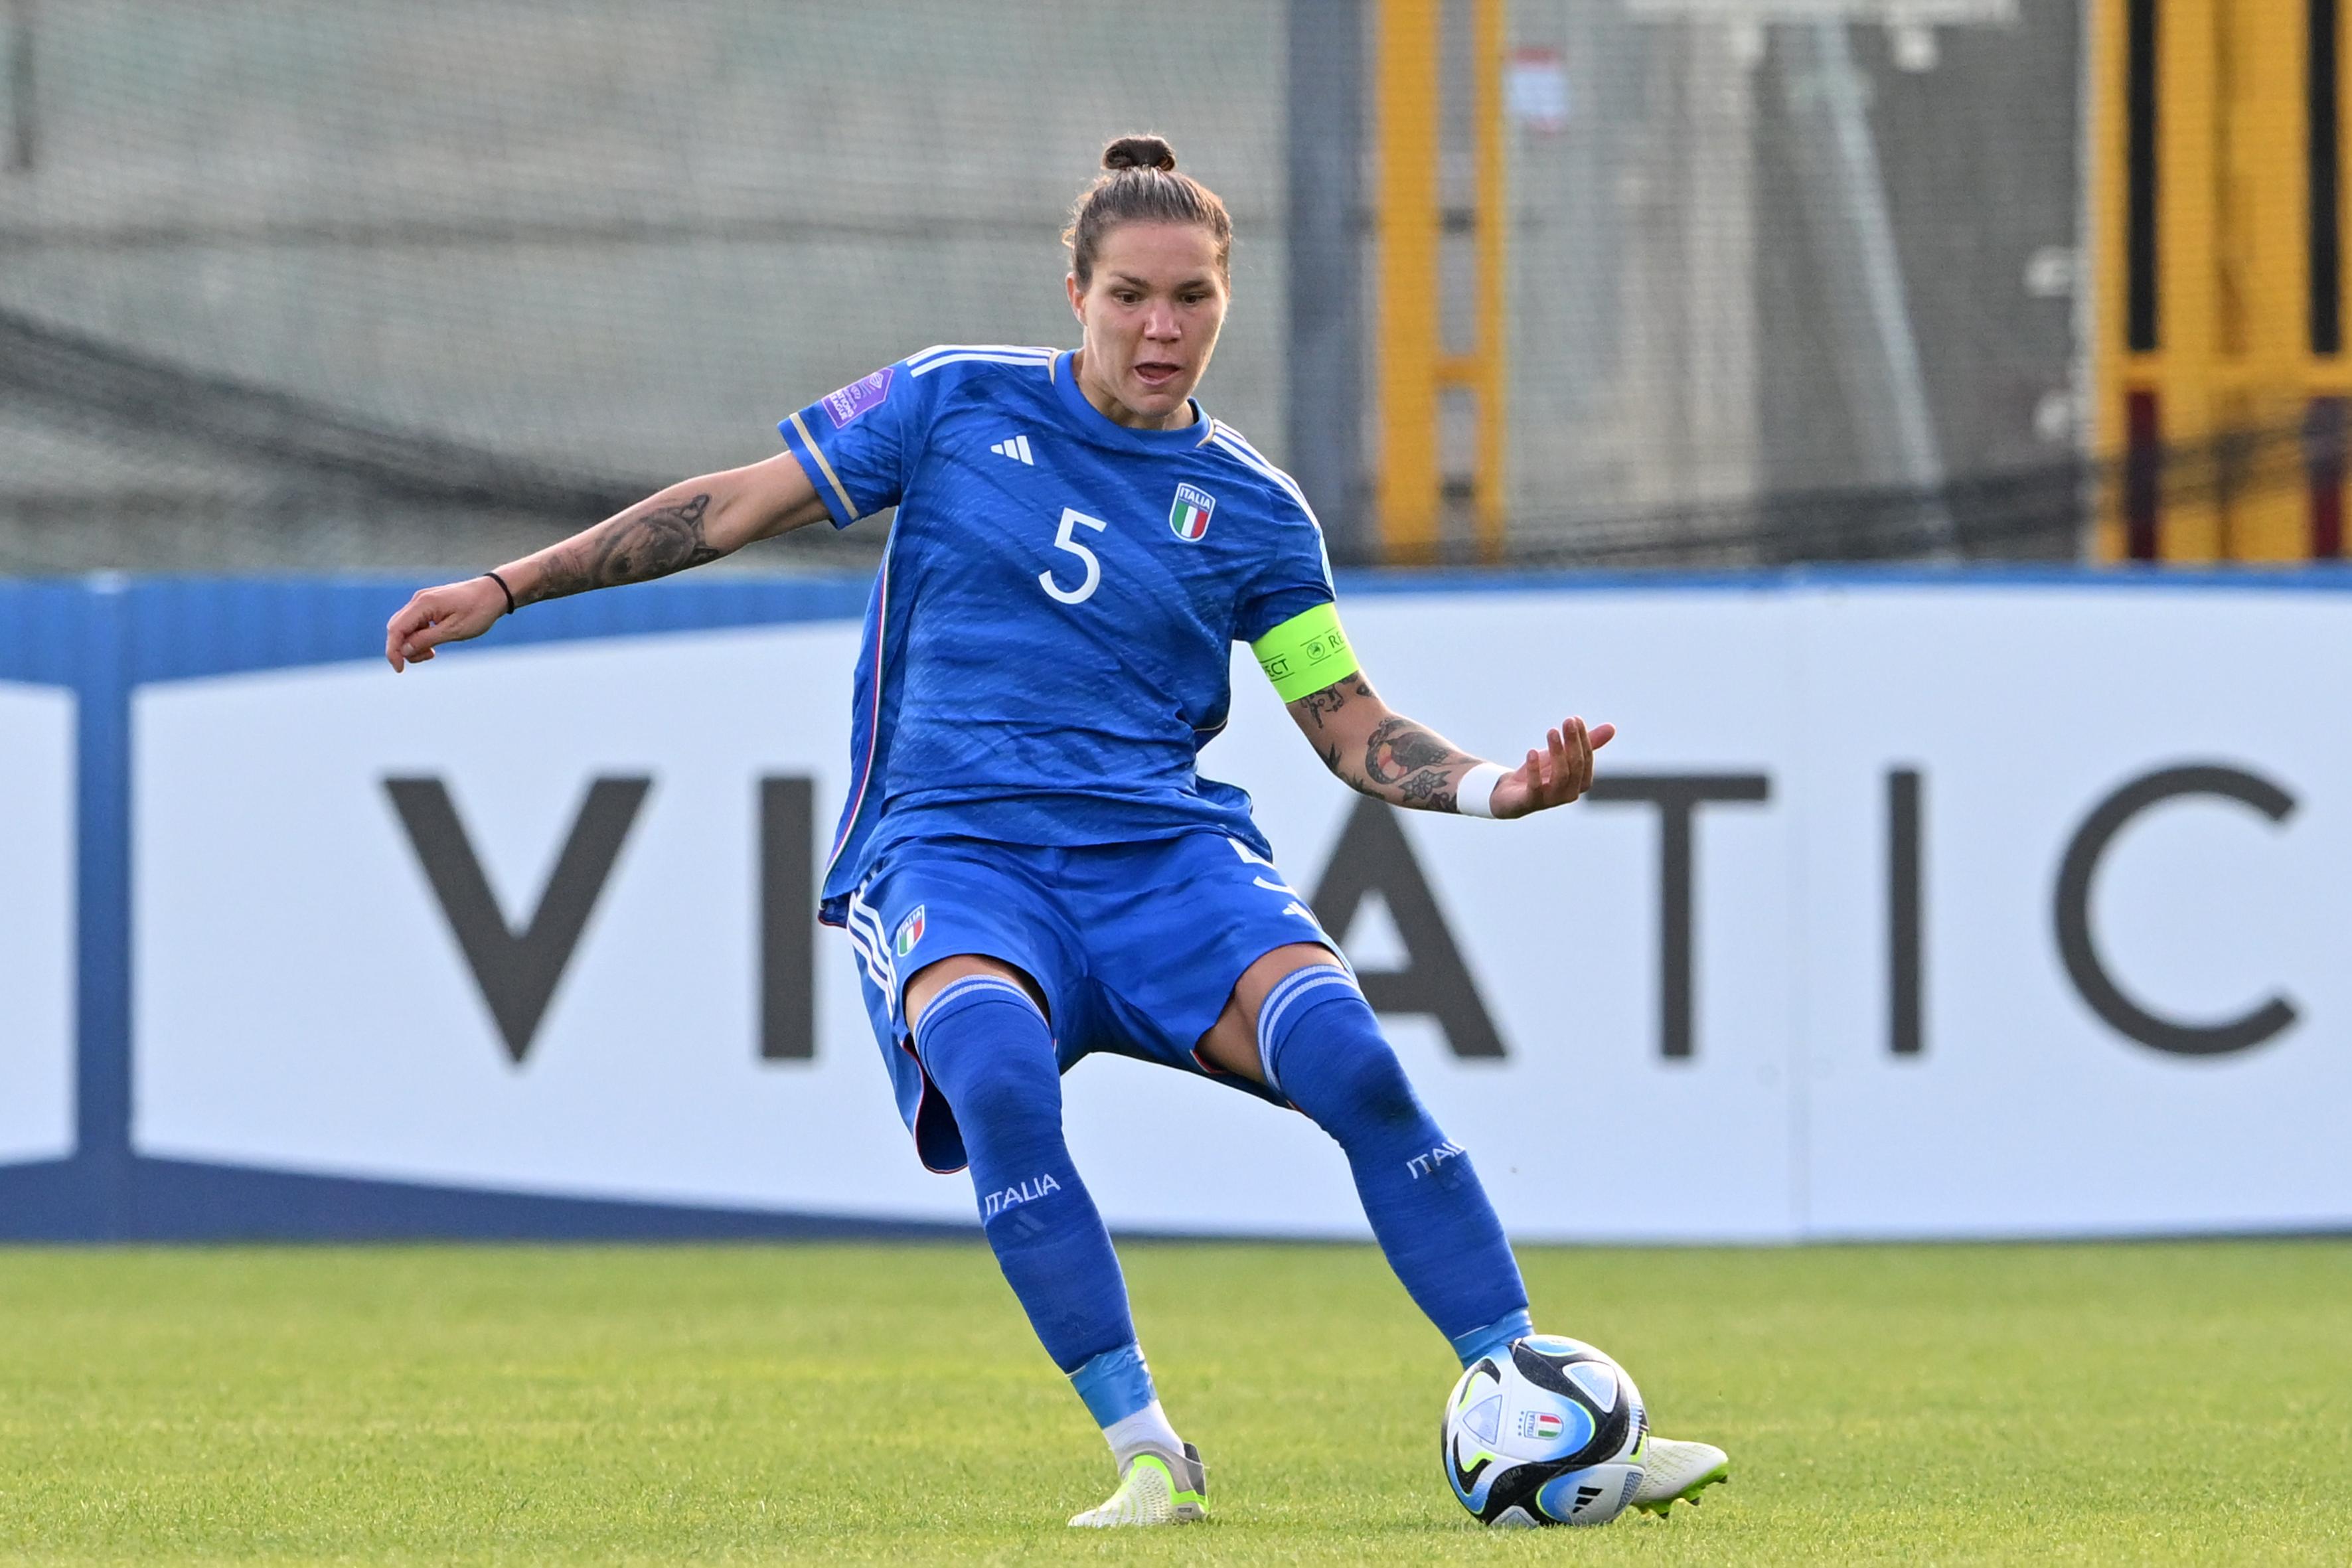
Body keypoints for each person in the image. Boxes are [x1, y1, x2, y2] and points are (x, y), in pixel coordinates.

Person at [385, 134, 1729, 1528]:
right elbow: (727, 504)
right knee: (993, 1067)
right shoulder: (947, 404)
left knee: (1349, 1056)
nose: (1162, 328)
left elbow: (1345, 721)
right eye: (1132, 296)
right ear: (1074, 293)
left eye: (1193, 298)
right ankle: (1147, 1448)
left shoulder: (1257, 513)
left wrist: (1499, 788)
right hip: (952, 849)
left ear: (1224, 299)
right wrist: (509, 585)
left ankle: (1535, 1396)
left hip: (1160, 855)